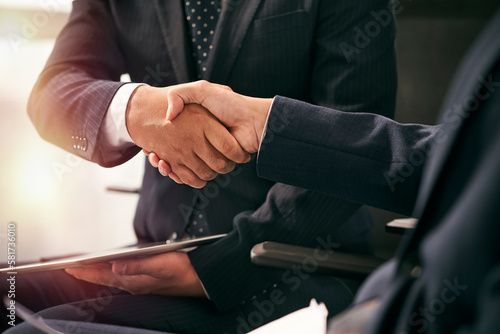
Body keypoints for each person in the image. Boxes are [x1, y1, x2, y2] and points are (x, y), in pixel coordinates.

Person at [1, 0, 397, 333]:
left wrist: (215, 271)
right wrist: (134, 111)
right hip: (155, 250)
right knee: (8, 292)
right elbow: (53, 91)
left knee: (42, 328)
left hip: (293, 266)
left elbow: (355, 135)